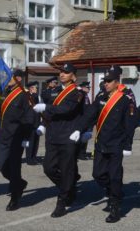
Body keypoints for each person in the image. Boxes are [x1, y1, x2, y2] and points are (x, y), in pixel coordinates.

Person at [74, 71, 137, 223]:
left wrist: (128, 145)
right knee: (98, 174)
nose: (106, 83)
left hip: (117, 144)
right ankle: (113, 191)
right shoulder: (100, 97)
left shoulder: (124, 100)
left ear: (117, 82)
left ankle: (115, 207)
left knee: (114, 175)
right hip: (101, 143)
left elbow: (129, 125)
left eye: (109, 81)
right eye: (105, 81)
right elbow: (89, 115)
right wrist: (79, 129)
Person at [33, 63, 84, 217]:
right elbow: (50, 113)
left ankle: (62, 202)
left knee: (66, 168)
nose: (62, 74)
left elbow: (66, 109)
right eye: (61, 72)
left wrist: (46, 108)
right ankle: (68, 187)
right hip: (53, 135)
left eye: (66, 72)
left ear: (73, 76)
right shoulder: (53, 91)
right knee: (48, 168)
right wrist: (43, 123)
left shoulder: (77, 93)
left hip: (68, 136)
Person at [0, 69, 33, 211]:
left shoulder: (24, 95)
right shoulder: (5, 92)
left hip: (16, 137)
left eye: (9, 77)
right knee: (1, 166)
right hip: (2, 135)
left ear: (17, 78)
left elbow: (30, 117)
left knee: (14, 168)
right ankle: (20, 183)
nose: (6, 79)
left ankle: (15, 198)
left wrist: (27, 137)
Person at [76, 81, 93, 160]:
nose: (89, 88)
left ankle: (82, 153)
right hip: (81, 120)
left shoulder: (86, 95)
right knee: (80, 138)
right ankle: (79, 153)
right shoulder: (80, 94)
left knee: (85, 137)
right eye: (87, 87)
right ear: (83, 88)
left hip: (86, 120)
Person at [25, 81, 40, 165]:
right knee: (30, 141)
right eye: (35, 87)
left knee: (36, 141)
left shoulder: (36, 96)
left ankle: (34, 157)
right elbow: (30, 104)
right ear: (31, 88)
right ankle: (29, 159)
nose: (36, 89)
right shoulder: (27, 95)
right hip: (29, 122)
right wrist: (34, 95)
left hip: (36, 121)